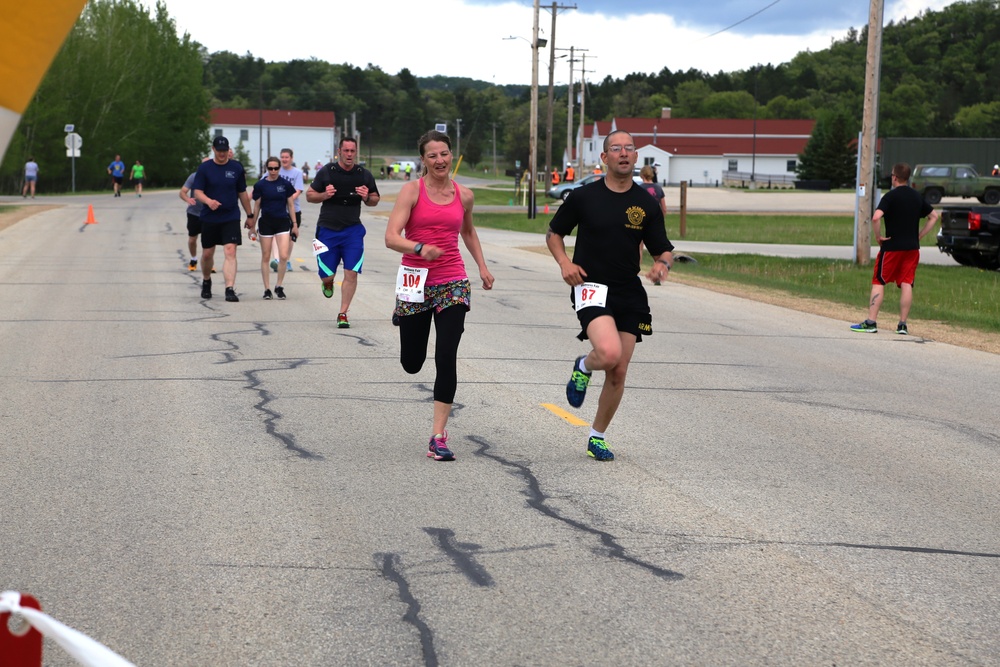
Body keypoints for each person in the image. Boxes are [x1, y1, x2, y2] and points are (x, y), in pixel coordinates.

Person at [546, 130, 674, 462]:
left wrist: (662, 265)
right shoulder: (583, 197)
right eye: (615, 148)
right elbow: (554, 233)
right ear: (604, 158)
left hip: (628, 290)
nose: (623, 153)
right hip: (590, 284)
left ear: (635, 158)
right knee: (608, 352)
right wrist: (564, 263)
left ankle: (597, 436)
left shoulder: (646, 204)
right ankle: (584, 365)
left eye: (629, 149)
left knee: (618, 370)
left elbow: (663, 249)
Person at [384, 130, 495, 461]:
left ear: (451, 155)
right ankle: (402, 313)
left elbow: (469, 231)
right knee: (411, 363)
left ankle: (438, 436)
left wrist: (483, 267)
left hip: (452, 282)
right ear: (423, 160)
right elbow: (391, 237)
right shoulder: (411, 191)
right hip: (415, 281)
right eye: (432, 155)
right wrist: (419, 247)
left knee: (446, 356)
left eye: (444, 153)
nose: (440, 160)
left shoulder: (465, 195)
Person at [851, 162, 939, 335]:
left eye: (892, 175)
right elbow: (934, 216)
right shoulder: (916, 196)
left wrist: (878, 237)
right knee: (906, 283)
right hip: (912, 249)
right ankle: (902, 325)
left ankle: (871, 322)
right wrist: (919, 236)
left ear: (895, 177)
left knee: (879, 281)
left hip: (892, 247)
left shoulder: (890, 197)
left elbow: (876, 218)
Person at [306, 136, 380, 328]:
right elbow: (309, 195)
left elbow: (375, 199)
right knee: (327, 275)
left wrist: (366, 198)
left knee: (351, 273)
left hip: (352, 231)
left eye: (352, 151)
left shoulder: (363, 174)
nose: (349, 154)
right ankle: (328, 282)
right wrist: (324, 195)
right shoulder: (327, 172)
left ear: (356, 152)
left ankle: (343, 313)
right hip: (327, 230)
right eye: (345, 151)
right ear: (339, 151)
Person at [192, 136, 254, 302]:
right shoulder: (205, 168)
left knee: (230, 250)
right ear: (213, 149)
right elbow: (197, 192)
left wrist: (250, 215)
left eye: (224, 150)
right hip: (209, 217)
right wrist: (208, 201)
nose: (222, 154)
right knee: (207, 254)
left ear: (228, 150)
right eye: (219, 151)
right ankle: (206, 281)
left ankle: (229, 288)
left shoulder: (236, 168)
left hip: (230, 215)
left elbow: (242, 193)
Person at [251, 156, 298, 300]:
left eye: (276, 168)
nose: (273, 171)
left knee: (283, 256)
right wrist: (252, 226)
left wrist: (294, 224)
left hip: (282, 222)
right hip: (266, 223)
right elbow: (257, 205)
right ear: (267, 168)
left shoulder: (285, 184)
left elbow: (290, 205)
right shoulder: (260, 185)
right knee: (266, 256)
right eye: (270, 168)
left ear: (279, 168)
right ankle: (267, 289)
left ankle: (279, 285)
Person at [271, 148, 304, 273]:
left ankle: (287, 261)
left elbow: (298, 190)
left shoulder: (297, 173)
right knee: (276, 234)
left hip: (293, 210)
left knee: (290, 237)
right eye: (282, 157)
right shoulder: (274, 170)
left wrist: (287, 200)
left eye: (286, 157)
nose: (284, 159)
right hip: (277, 210)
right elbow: (264, 183)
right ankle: (277, 260)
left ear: (291, 158)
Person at [179, 156, 212, 271]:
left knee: (208, 240)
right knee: (193, 239)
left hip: (209, 213)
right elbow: (182, 192)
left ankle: (207, 262)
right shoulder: (194, 176)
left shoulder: (215, 177)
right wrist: (187, 199)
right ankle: (193, 258)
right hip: (194, 212)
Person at [638, 164, 669, 285]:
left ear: (642, 175)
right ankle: (658, 274)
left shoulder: (639, 189)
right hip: (654, 222)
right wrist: (661, 221)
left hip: (641, 221)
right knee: (657, 251)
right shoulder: (658, 188)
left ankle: (635, 273)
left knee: (639, 249)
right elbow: (664, 208)